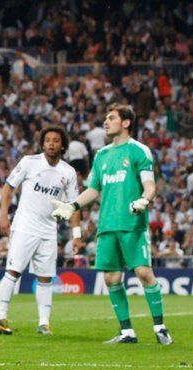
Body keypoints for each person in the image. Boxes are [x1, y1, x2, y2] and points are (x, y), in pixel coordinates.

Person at [51, 104, 173, 345]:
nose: (106, 122)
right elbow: (93, 190)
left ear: (126, 122)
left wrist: (144, 200)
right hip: (106, 225)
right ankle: (127, 331)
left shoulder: (139, 151)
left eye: (111, 118)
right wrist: (72, 206)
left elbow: (150, 185)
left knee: (144, 272)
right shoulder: (102, 155)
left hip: (132, 223)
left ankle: (160, 327)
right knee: (111, 279)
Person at [0, 125, 81, 335]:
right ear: (42, 144)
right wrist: (3, 216)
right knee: (13, 271)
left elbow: (74, 205)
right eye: (48, 140)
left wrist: (76, 235)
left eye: (56, 140)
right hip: (24, 226)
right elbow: (7, 188)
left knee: (45, 278)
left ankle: (43, 323)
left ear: (62, 145)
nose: (51, 144)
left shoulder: (68, 172)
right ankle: (0, 317)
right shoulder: (29, 162)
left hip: (49, 230)